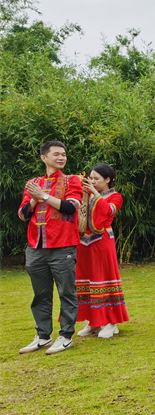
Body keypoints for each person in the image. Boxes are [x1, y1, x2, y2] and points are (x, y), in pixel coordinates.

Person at [17, 141, 83, 355]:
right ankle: (43, 336)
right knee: (40, 294)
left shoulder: (72, 180)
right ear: (44, 158)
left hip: (62, 246)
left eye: (64, 154)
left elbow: (71, 207)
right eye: (56, 154)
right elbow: (23, 214)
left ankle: (66, 336)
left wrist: (44, 196)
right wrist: (35, 200)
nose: (61, 158)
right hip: (35, 247)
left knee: (66, 292)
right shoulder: (33, 183)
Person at [75, 164, 129, 339]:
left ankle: (111, 322)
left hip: (102, 241)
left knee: (103, 277)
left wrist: (95, 193)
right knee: (88, 279)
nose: (92, 181)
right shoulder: (87, 194)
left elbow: (108, 211)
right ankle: (93, 322)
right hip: (84, 242)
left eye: (96, 178)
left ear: (108, 180)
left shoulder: (115, 197)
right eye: (90, 178)